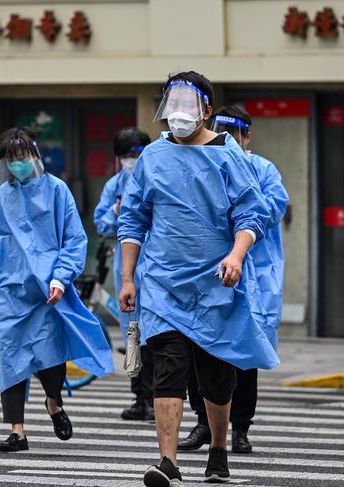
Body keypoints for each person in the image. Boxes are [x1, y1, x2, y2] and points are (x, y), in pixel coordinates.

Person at [118, 71, 279, 486]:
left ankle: (219, 452)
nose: (178, 114)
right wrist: (128, 278)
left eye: (187, 106)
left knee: (216, 377)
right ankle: (168, 462)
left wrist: (236, 255)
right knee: (168, 370)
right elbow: (133, 221)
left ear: (206, 110)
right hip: (164, 285)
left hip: (216, 286)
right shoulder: (152, 157)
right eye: (172, 105)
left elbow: (253, 214)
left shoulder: (229, 155)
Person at [0, 127, 114, 452]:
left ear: (35, 156)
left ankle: (53, 402)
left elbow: (74, 240)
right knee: (11, 360)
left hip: (48, 292)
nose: (17, 164)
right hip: (10, 292)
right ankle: (17, 431)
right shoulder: (2, 197)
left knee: (50, 357)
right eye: (11, 159)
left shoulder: (57, 191)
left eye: (22, 157)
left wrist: (59, 278)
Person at [178, 106, 288, 454]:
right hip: (208, 273)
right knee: (201, 348)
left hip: (254, 274)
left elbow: (272, 210)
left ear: (247, 137)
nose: (226, 139)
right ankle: (202, 423)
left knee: (244, 355)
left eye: (234, 133)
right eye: (219, 131)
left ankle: (240, 427)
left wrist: (244, 186)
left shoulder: (262, 169)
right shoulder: (199, 165)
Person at [94, 127, 154, 421]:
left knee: (156, 336)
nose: (133, 160)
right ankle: (140, 398)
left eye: (138, 154)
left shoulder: (156, 180)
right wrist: (116, 211)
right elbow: (101, 225)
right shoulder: (113, 186)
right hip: (127, 273)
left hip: (154, 269)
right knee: (132, 335)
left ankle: (159, 396)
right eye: (127, 156)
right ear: (119, 159)